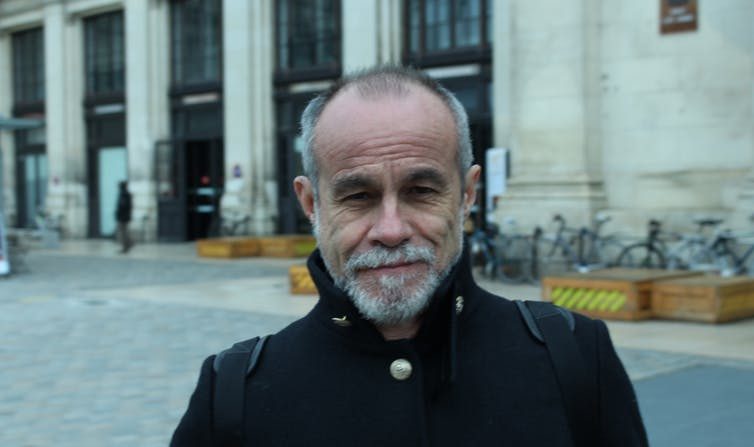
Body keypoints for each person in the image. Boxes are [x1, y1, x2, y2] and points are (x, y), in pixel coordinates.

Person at [171, 66, 648, 446]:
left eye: (421, 190)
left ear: (467, 195)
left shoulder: (573, 354)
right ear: (312, 205)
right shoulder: (233, 391)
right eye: (357, 196)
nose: (391, 230)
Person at [115, 180, 132, 253]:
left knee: (122, 232)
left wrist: (118, 214)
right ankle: (128, 244)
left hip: (123, 217)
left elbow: (122, 206)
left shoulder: (123, 194)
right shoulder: (126, 194)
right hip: (125, 216)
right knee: (124, 231)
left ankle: (127, 245)